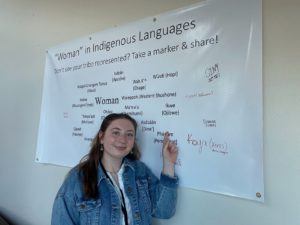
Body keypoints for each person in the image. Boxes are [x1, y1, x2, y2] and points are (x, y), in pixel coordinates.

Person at [51, 113, 179, 225]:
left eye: (129, 134)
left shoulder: (140, 171)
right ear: (101, 137)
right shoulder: (78, 178)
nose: (122, 139)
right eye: (116, 132)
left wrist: (168, 163)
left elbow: (164, 211)